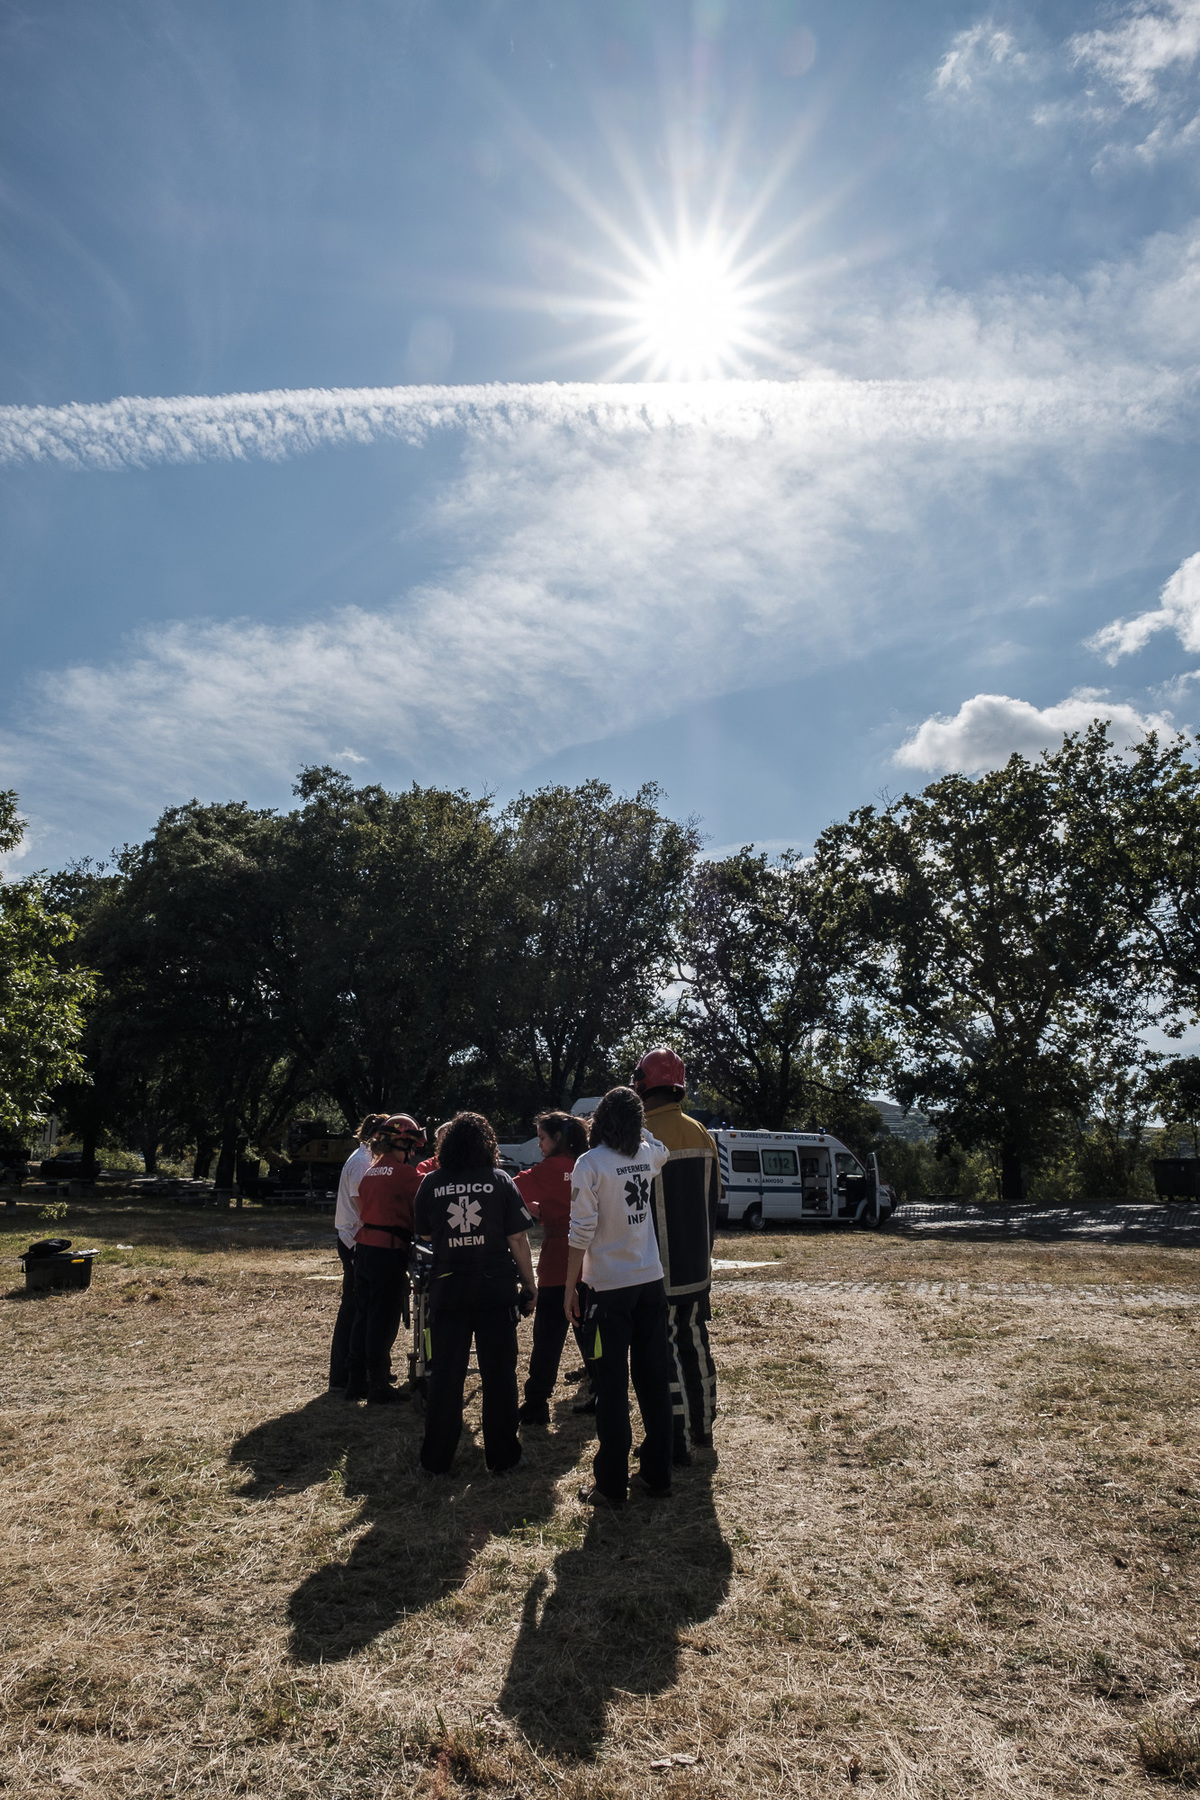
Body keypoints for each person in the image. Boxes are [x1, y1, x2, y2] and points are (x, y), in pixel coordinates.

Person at [564, 1085, 673, 1509]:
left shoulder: (590, 1164)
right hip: (650, 1282)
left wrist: (571, 1286)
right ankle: (657, 1474)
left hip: (607, 1290)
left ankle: (610, 1485)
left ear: (599, 1119)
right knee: (652, 1382)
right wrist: (642, 1135)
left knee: (611, 1387)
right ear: (637, 1122)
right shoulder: (646, 1156)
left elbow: (580, 1233)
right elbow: (659, 1148)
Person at [415, 1111, 537, 1475]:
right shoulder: (500, 1180)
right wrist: (530, 1285)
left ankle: (435, 1462)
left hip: (448, 1290)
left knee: (446, 1378)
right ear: (488, 1145)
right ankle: (504, 1457)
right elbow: (518, 1238)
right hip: (495, 1289)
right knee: (499, 1375)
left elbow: (423, 1236)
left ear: (446, 1146)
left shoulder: (431, 1183)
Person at [632, 1048, 722, 1466]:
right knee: (696, 1345)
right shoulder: (702, 1133)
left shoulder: (640, 1138)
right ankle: (703, 1431)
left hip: (655, 1269)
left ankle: (677, 1442)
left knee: (663, 1354)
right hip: (696, 1267)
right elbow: (715, 1201)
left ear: (642, 1084)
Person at [514, 1110, 590, 1425]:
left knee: (547, 1335)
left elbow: (510, 1190)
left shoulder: (548, 1169)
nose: (540, 1146)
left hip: (559, 1257)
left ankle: (536, 1401)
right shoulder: (587, 1163)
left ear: (558, 1138)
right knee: (588, 1330)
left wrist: (541, 1211)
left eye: (542, 1138)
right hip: (591, 1260)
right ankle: (601, 1389)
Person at [346, 1114, 425, 1404]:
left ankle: (356, 1381)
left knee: (363, 1316)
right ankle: (378, 1385)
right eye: (411, 1146)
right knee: (384, 1319)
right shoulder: (405, 1174)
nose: (413, 1153)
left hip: (365, 1249)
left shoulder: (371, 1172)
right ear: (400, 1142)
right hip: (388, 1251)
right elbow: (426, 1202)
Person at [329, 1113, 385, 1390]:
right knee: (353, 1309)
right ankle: (343, 1375)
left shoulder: (363, 1158)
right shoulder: (363, 1163)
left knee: (357, 1307)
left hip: (352, 1238)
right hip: (354, 1240)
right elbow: (365, 1207)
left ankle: (356, 1369)